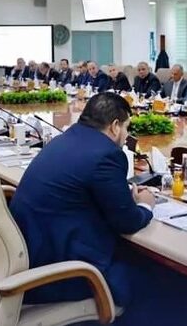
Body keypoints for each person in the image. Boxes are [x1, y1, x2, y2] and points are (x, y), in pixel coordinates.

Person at [9, 93, 156, 323]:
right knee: (154, 278)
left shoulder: (64, 139)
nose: (127, 135)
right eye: (127, 127)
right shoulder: (108, 154)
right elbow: (127, 221)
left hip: (27, 257)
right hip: (60, 273)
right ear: (115, 126)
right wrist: (146, 204)